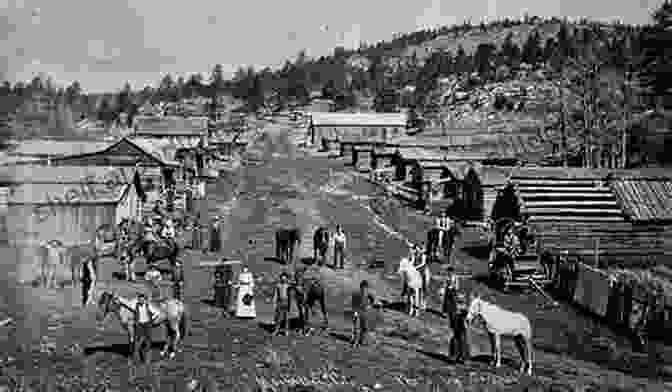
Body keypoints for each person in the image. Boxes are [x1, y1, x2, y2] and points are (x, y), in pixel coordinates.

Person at [352, 280, 379, 347]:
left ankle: (361, 340)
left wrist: (371, 306)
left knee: (364, 328)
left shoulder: (369, 294)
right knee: (357, 328)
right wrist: (355, 312)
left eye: (366, 288)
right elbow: (354, 304)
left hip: (365, 312)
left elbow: (374, 301)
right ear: (361, 287)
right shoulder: (357, 294)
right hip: (358, 312)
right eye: (364, 287)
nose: (365, 289)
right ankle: (355, 342)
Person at [134, 293, 156, 364]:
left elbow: (156, 313)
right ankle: (138, 358)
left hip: (147, 325)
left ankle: (147, 360)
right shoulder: (136, 306)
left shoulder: (147, 306)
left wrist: (151, 319)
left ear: (144, 300)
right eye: (140, 299)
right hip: (140, 325)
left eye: (142, 299)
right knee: (138, 341)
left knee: (148, 341)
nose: (141, 300)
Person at [272, 272, 292, 336]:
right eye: (282, 278)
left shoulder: (289, 286)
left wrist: (290, 304)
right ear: (280, 278)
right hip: (280, 302)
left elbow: (291, 295)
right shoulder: (278, 285)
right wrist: (274, 302)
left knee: (287, 318)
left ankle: (286, 331)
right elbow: (275, 295)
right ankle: (276, 330)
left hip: (287, 302)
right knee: (279, 318)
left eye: (285, 278)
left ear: (286, 279)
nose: (283, 279)